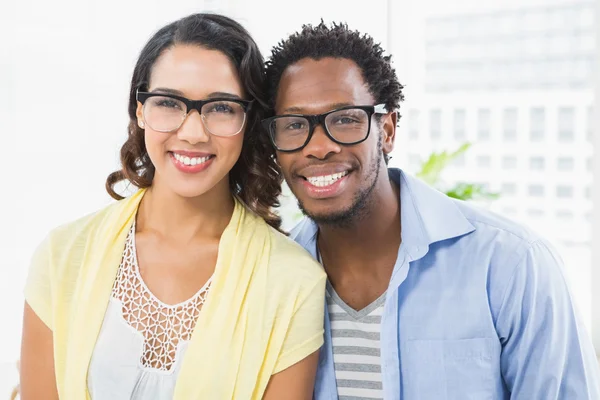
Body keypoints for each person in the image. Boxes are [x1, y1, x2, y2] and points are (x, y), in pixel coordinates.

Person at [263, 21, 600, 399]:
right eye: (294, 125)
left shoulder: (512, 264)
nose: (318, 146)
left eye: (345, 119)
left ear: (387, 130)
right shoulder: (274, 278)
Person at [20, 13, 325, 400]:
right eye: (169, 102)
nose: (194, 133)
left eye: (221, 107)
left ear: (248, 121)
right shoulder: (60, 256)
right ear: (140, 110)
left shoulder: (294, 282)